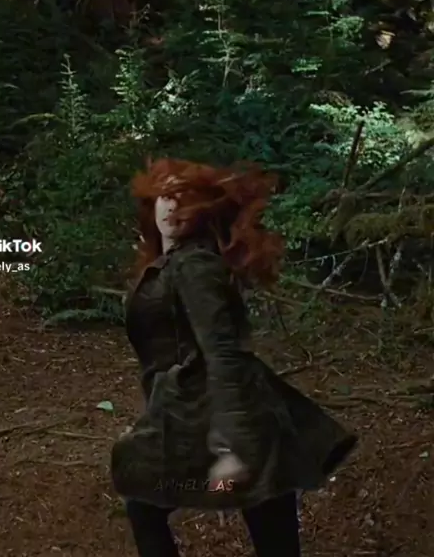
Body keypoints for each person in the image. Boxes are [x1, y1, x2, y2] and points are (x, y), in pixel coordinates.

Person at [111, 157, 357, 557]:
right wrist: (151, 423)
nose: (171, 206)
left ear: (200, 210)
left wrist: (233, 444)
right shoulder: (172, 265)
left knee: (154, 500)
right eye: (163, 196)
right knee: (258, 514)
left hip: (234, 419)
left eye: (183, 196)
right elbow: (168, 359)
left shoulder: (193, 265)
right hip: (203, 415)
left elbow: (223, 354)